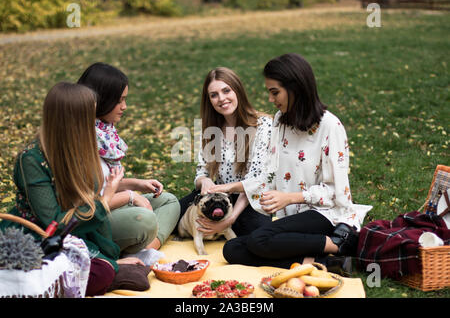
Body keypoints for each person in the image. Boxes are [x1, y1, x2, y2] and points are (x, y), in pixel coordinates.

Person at [208, 54, 372, 272]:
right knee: (232, 249)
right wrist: (231, 187)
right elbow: (269, 174)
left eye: (275, 92)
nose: (270, 99)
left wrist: (290, 198)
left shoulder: (330, 126)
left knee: (259, 240)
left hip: (326, 214)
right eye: (269, 92)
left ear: (296, 88)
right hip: (294, 217)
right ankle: (324, 263)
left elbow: (336, 193)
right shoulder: (280, 121)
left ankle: (338, 244)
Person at [0, 82, 144, 296]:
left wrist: (111, 257)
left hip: (78, 231)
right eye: (90, 115)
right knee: (101, 273)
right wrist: (105, 199)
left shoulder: (81, 146)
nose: (94, 121)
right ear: (73, 120)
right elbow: (54, 225)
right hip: (39, 237)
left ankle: (108, 268)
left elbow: (87, 200)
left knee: (107, 265)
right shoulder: (31, 160)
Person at [78, 62, 180, 253]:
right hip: (93, 221)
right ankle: (140, 253)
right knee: (144, 220)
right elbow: (86, 206)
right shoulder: (80, 139)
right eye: (119, 101)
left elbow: (104, 183)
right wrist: (130, 196)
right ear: (101, 99)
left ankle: (146, 251)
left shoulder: (104, 133)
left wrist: (136, 184)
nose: (125, 107)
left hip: (111, 206)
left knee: (169, 201)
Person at [177, 67, 273, 237]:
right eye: (214, 95)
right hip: (218, 198)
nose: (221, 99)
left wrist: (230, 219)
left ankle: (225, 228)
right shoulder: (211, 129)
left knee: (257, 235)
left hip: (251, 199)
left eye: (226, 91)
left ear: (238, 91)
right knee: (174, 212)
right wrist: (205, 181)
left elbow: (256, 181)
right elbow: (201, 172)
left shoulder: (263, 125)